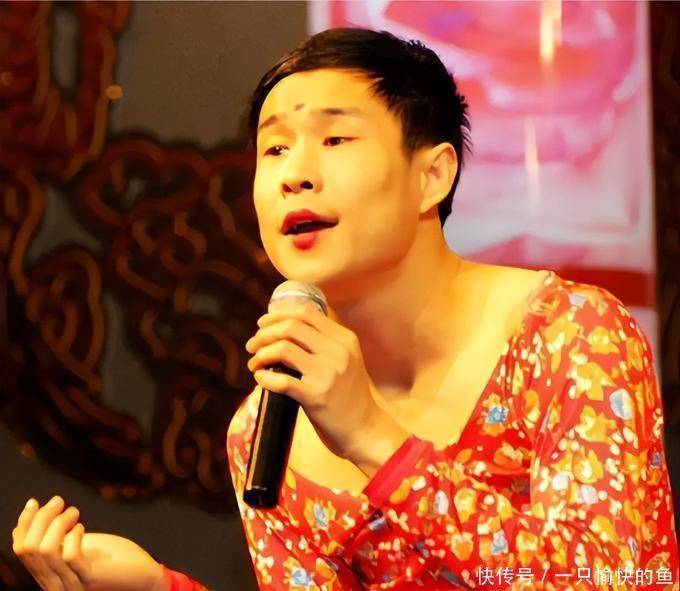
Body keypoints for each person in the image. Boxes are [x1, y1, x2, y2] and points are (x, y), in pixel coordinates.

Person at [11, 27, 679, 591]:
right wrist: (157, 586)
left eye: (334, 140)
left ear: (432, 175)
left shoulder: (571, 336)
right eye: (274, 148)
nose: (294, 174)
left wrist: (373, 439)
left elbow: (615, 580)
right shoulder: (265, 429)